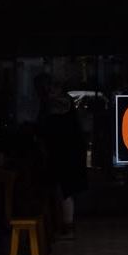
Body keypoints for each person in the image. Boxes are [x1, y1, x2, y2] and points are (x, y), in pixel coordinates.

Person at [34, 73, 87, 236]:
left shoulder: (52, 107)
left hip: (60, 153)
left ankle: (65, 225)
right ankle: (65, 225)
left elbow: (45, 130)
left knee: (63, 190)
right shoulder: (64, 106)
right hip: (66, 153)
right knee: (65, 190)